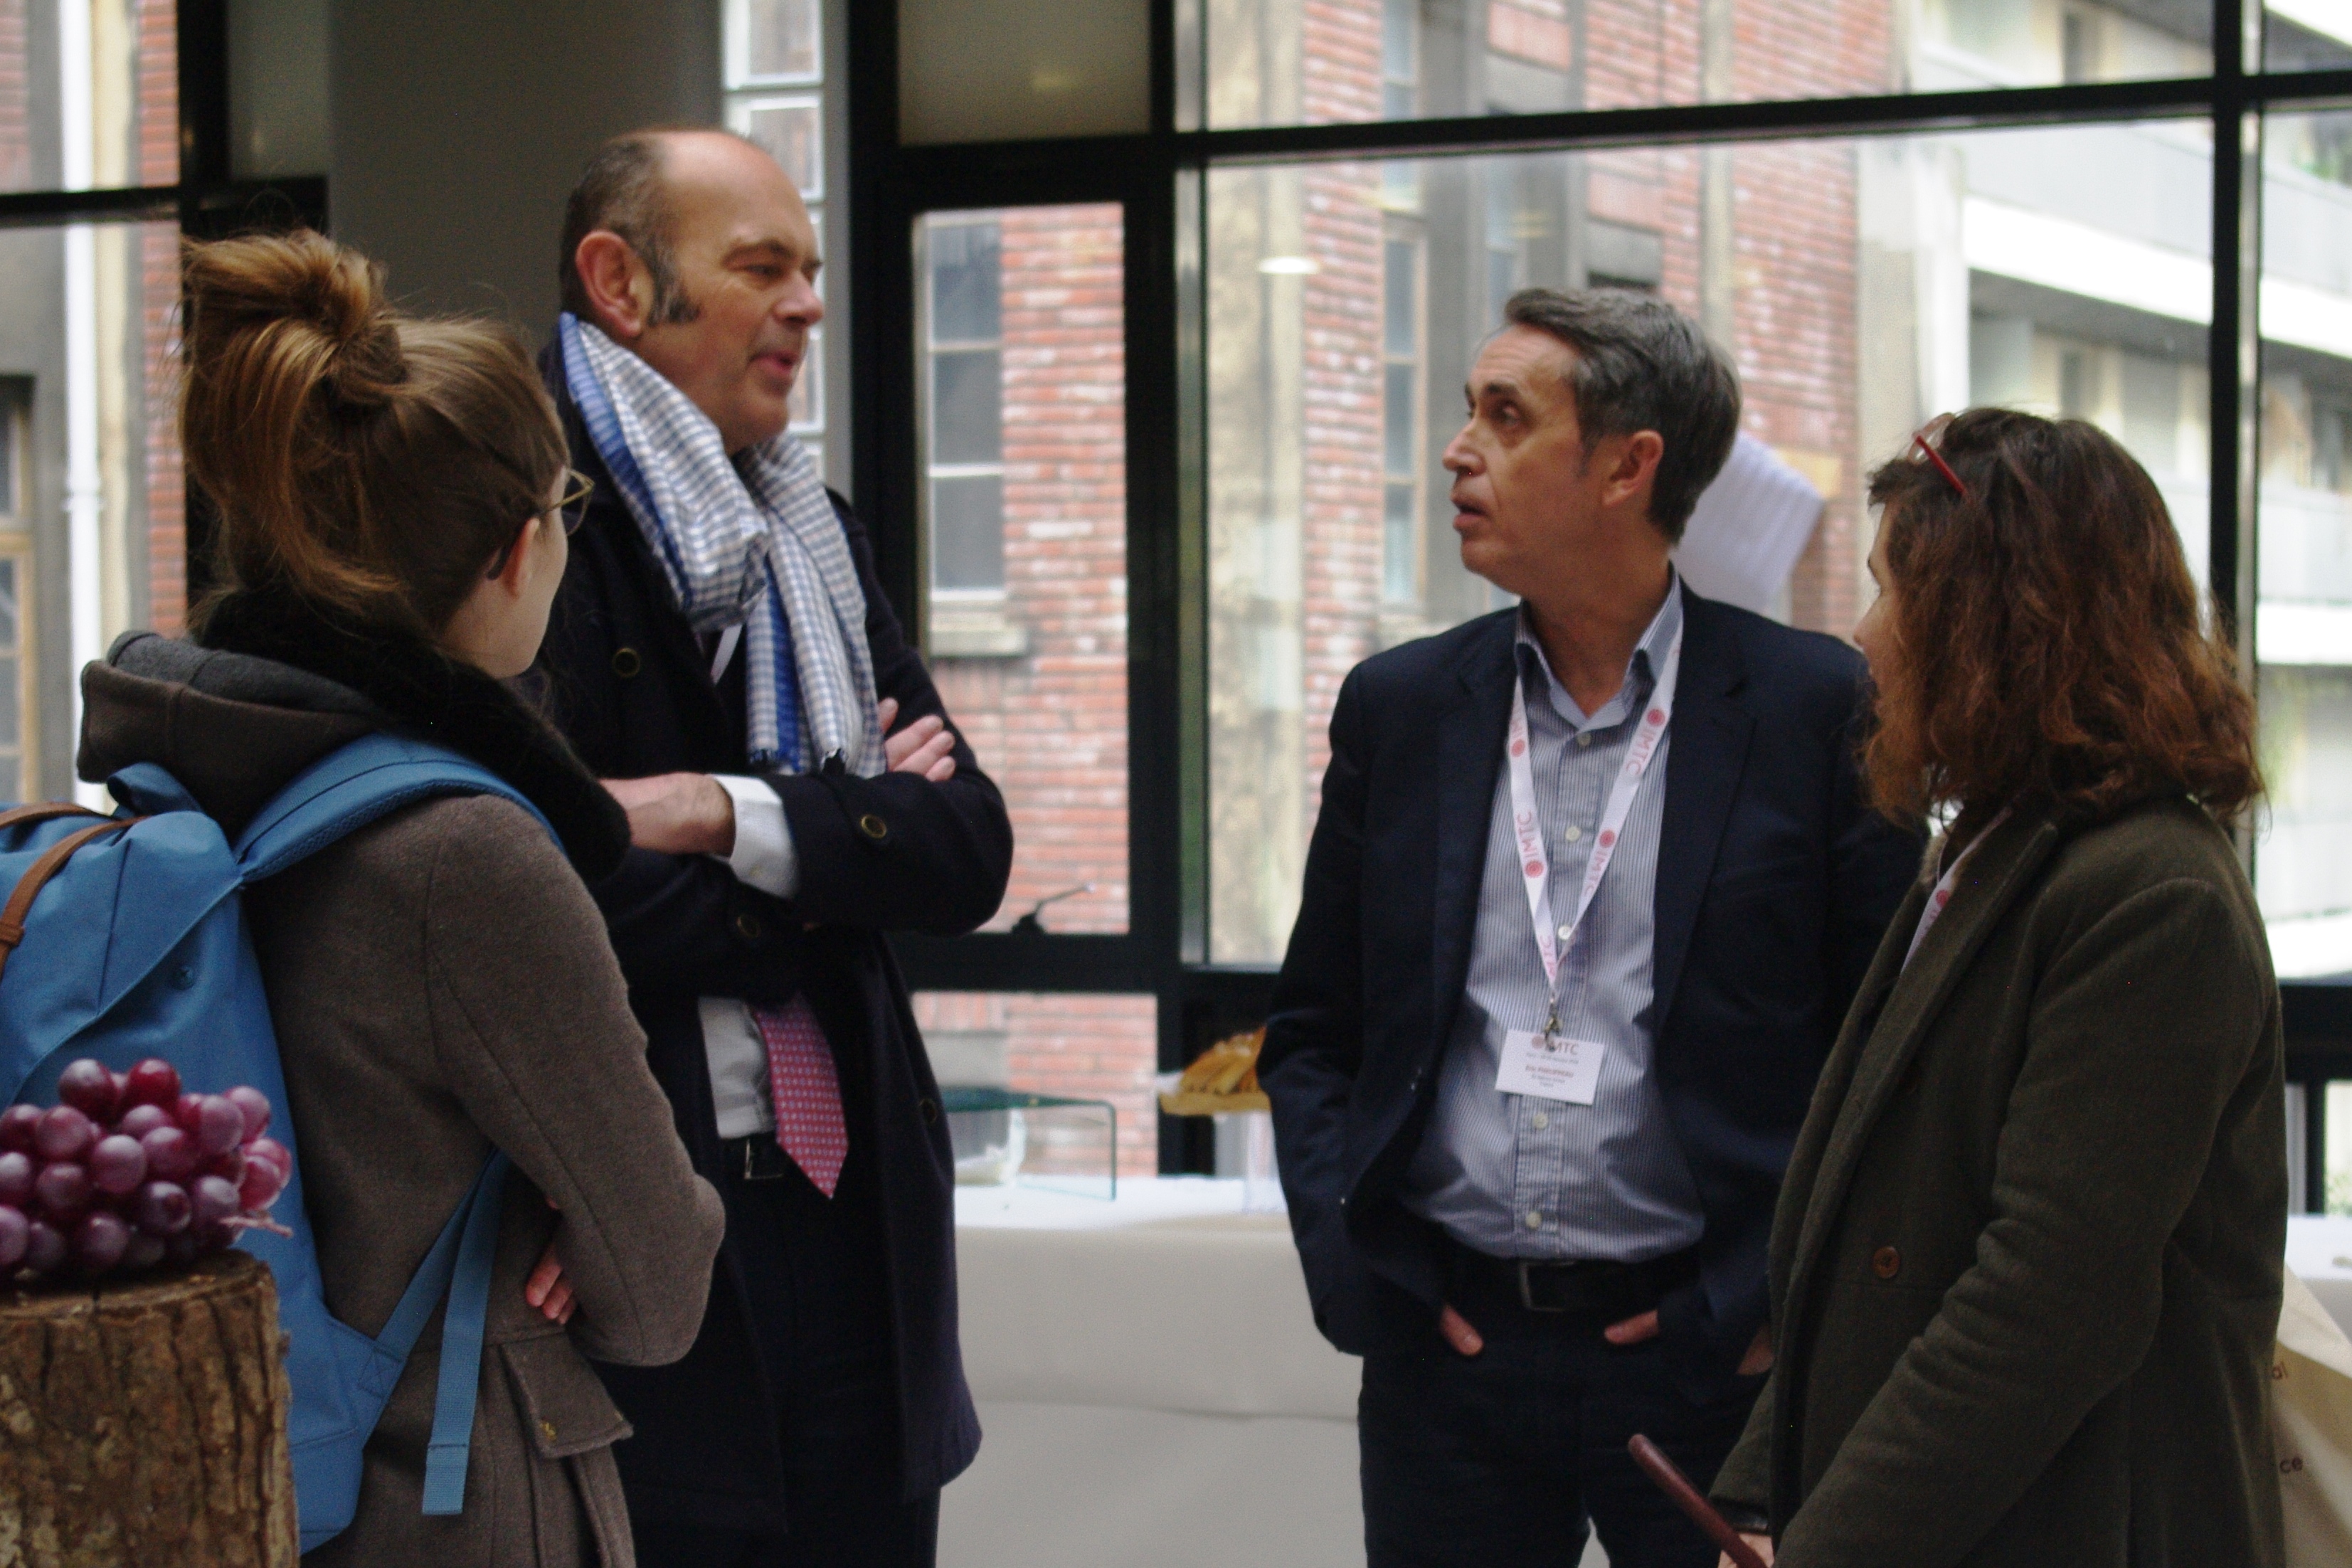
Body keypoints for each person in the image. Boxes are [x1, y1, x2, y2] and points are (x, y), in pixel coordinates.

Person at [74, 231, 725, 1565]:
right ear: (515, 551)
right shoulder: (466, 857)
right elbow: (659, 1285)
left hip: (228, 1472)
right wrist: (576, 1224)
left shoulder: (191, 769)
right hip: (450, 1499)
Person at [1259, 288, 1923, 1568]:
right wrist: (1362, 1270)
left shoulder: (1811, 708)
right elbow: (1311, 1031)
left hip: (1704, 1359)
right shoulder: (1402, 707)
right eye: (1468, 413)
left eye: (1505, 419)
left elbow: (1888, 1056)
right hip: (1449, 1355)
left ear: (1628, 468)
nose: (1456, 452)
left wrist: (1766, 1303)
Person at [534, 127, 1013, 1567]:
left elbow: (965, 849)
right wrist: (829, 857)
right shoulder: (523, 522)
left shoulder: (809, 530)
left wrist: (713, 811)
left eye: (810, 269)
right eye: (761, 267)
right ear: (619, 282)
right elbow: (544, 881)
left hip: (856, 1225)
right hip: (642, 1233)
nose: (807, 304)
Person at [1707, 409, 2286, 1568]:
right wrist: (1756, 1502)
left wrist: (1823, 1546)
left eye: (1888, 592)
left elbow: (2045, 1308)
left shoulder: (2152, 892)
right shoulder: (1995, 845)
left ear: (1990, 622)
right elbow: (1852, 1239)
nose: (1861, 636)